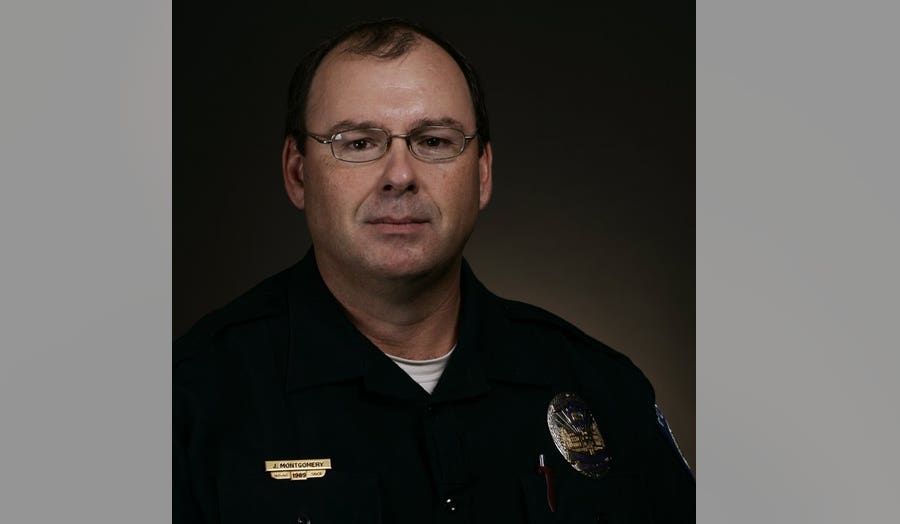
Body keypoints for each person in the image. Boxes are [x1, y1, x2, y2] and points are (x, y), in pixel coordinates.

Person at [174, 18, 694, 523]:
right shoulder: (189, 402)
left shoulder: (605, 389)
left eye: (435, 141)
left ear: (482, 174)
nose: (400, 175)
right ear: (298, 173)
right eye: (358, 143)